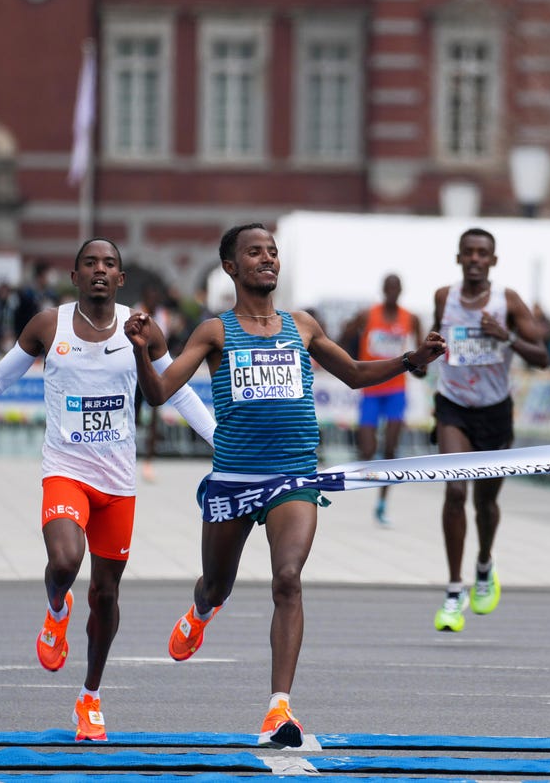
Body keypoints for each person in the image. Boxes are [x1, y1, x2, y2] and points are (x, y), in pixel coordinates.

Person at [0, 238, 216, 742]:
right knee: (63, 561)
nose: (100, 270)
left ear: (121, 279)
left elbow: (179, 393)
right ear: (74, 277)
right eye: (89, 264)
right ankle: (57, 611)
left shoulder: (141, 329)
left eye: (110, 264)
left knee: (106, 594)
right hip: (66, 469)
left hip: (118, 482)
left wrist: (227, 446)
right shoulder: (47, 326)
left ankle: (90, 698)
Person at [123, 222, 445, 747]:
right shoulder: (214, 332)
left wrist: (412, 361)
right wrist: (141, 350)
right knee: (216, 583)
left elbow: (358, 374)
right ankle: (202, 610)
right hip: (233, 479)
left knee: (288, 579)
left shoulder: (303, 326)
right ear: (231, 267)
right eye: (254, 253)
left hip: (294, 476)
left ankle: (279, 710)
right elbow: (159, 393)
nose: (267, 259)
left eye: (272, 252)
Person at [429, 227, 549, 633]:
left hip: (495, 412)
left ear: (493, 261)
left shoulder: (508, 301)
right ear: (459, 258)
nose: (476, 259)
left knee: (485, 503)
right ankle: (453, 589)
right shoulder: (444, 297)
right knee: (455, 488)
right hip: (453, 406)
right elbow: (434, 338)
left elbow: (543, 357)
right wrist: (425, 352)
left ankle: (483, 564)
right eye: (469, 253)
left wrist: (508, 336)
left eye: (484, 254)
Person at [341, 273, 424, 526]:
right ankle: (368, 482)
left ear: (400, 291)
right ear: (383, 290)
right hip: (371, 389)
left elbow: (420, 353)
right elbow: (344, 336)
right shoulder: (368, 315)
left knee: (390, 449)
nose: (391, 292)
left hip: (396, 390)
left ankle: (382, 502)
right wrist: (350, 361)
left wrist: (421, 367)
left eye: (395, 288)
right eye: (388, 288)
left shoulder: (411, 319)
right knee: (366, 449)